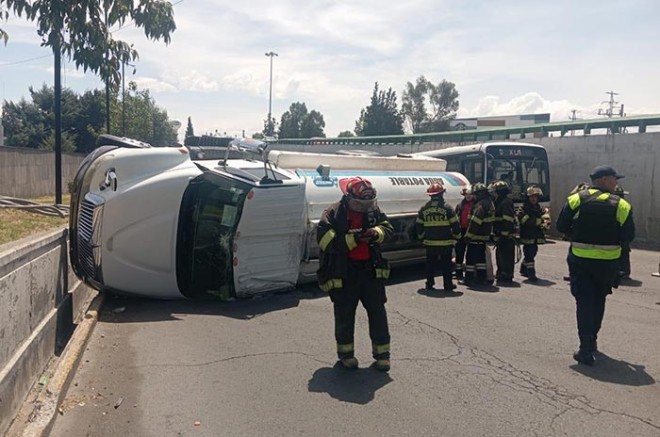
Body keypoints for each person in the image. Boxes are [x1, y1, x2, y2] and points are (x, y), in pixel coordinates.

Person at [556, 165, 635, 366]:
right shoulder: (622, 205)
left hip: (580, 260)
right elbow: (628, 236)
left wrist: (579, 234)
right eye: (614, 179)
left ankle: (584, 348)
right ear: (602, 180)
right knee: (599, 300)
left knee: (583, 302)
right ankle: (592, 342)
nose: (616, 182)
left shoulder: (576, 199)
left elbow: (560, 227)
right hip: (607, 263)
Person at [316, 177, 394, 371]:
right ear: (348, 196)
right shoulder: (333, 213)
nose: (364, 206)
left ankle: (382, 355)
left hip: (370, 270)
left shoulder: (373, 210)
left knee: (378, 312)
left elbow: (389, 229)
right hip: (345, 272)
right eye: (360, 202)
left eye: (368, 202)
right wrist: (356, 239)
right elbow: (326, 241)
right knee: (344, 314)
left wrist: (377, 233)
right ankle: (346, 355)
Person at [416, 182, 461, 292]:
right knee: (446, 265)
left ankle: (429, 284)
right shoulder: (447, 208)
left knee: (430, 264)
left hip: (430, 243)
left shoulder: (424, 209)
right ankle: (448, 285)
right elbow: (455, 224)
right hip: (446, 243)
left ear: (430, 195)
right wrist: (457, 237)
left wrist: (422, 238)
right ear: (442, 194)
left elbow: (419, 226)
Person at [462, 183, 496, 286]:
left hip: (475, 237)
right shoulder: (489, 203)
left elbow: (475, 223)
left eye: (475, 194)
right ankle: (481, 278)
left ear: (480, 194)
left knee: (470, 260)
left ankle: (469, 279)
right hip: (483, 237)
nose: (474, 196)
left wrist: (468, 236)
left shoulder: (480, 206)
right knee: (481, 260)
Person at [518, 186, 547, 282]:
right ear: (528, 197)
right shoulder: (523, 208)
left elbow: (546, 218)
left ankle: (523, 268)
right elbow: (524, 220)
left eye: (536, 197)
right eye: (532, 197)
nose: (534, 199)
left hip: (536, 235)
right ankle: (531, 274)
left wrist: (545, 223)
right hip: (527, 235)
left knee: (533, 252)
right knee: (529, 253)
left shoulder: (540, 208)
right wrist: (539, 221)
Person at [490, 180, 516, 283]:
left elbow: (508, 219)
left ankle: (507, 275)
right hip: (500, 234)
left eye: (496, 192)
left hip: (506, 235)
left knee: (506, 256)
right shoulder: (499, 202)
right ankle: (501, 273)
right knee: (500, 254)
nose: (494, 194)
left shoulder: (506, 202)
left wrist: (504, 232)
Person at [454, 187, 475, 280]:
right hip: (461, 230)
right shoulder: (460, 205)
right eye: (466, 195)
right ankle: (458, 272)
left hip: (471, 231)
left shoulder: (476, 205)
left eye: (470, 194)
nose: (468, 196)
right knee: (459, 251)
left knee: (471, 252)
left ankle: (471, 273)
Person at [614, 185, 632, 280]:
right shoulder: (625, 205)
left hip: (611, 234)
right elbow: (629, 226)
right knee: (624, 250)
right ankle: (624, 271)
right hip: (621, 234)